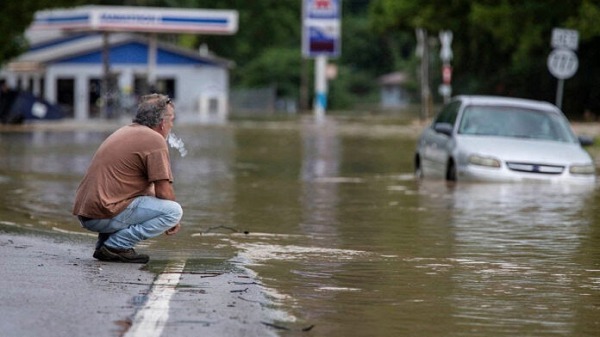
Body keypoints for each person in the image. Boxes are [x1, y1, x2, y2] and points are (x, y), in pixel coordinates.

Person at [73, 93, 182, 263]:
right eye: (172, 120)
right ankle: (117, 245)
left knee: (144, 196)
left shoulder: (126, 131)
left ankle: (105, 246)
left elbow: (150, 190)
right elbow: (164, 191)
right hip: (102, 214)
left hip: (89, 213)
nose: (172, 125)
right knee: (173, 211)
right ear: (162, 122)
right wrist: (174, 221)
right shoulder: (154, 140)